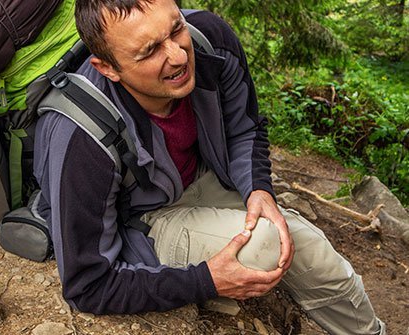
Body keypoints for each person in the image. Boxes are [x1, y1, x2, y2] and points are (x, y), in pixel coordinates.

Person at [33, 0, 386, 333]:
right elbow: (87, 285)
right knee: (264, 244)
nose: (177, 56)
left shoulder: (210, 41)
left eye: (175, 30)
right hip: (141, 216)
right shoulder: (81, 135)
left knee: (313, 250)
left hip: (202, 176)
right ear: (107, 67)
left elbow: (245, 127)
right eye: (150, 51)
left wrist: (258, 187)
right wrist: (204, 281)